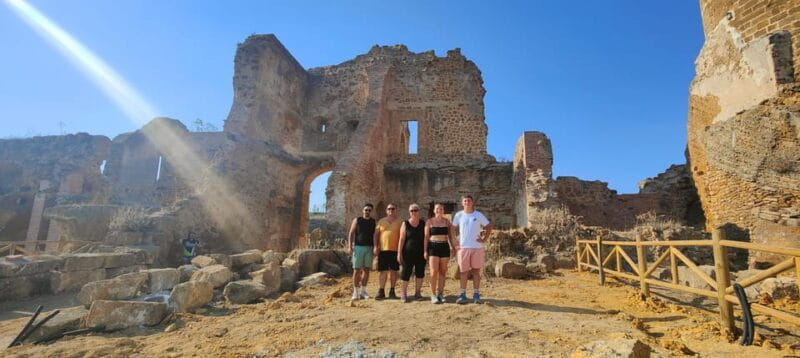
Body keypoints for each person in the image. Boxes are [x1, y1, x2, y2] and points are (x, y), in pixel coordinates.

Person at [451, 195, 492, 304]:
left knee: (476, 272)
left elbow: (489, 226)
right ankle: (463, 294)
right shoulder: (459, 215)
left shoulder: (478, 215)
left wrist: (484, 239)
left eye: (469, 201)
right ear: (462, 203)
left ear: (472, 202)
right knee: (463, 272)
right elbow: (452, 228)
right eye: (465, 201)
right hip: (463, 248)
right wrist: (455, 241)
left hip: (477, 248)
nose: (467, 202)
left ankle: (476, 294)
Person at [424, 203, 457, 304]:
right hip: (433, 247)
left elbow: (451, 236)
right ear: (434, 210)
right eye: (437, 209)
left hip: (444, 247)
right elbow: (426, 238)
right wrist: (425, 251)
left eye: (441, 209)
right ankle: (433, 294)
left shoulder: (447, 222)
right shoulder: (429, 222)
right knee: (433, 272)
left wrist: (454, 248)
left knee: (443, 272)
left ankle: (440, 294)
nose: (439, 210)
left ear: (443, 211)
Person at [397, 203, 426, 303]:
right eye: (411, 211)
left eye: (415, 210)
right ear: (409, 212)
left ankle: (417, 293)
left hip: (421, 253)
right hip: (407, 253)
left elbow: (426, 238)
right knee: (405, 273)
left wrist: (426, 251)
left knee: (420, 273)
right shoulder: (405, 224)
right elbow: (401, 239)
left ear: (419, 211)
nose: (414, 212)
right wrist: (399, 253)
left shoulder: (423, 223)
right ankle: (403, 293)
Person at [373, 203, 402, 300]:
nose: (391, 210)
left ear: (396, 210)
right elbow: (376, 235)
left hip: (395, 250)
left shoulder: (400, 222)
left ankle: (392, 291)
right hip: (383, 250)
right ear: (386, 210)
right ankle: (381, 291)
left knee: (393, 272)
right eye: (389, 209)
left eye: (393, 209)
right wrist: (376, 246)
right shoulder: (381, 221)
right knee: (383, 272)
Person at [347, 203, 376, 300]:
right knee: (356, 270)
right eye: (366, 210)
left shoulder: (373, 222)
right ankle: (355, 292)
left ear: (371, 211)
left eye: (369, 210)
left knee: (367, 270)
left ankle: (363, 291)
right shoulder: (357, 220)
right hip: (358, 247)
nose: (367, 211)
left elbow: (375, 235)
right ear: (363, 210)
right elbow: (351, 233)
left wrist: (375, 247)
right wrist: (350, 246)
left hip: (369, 248)